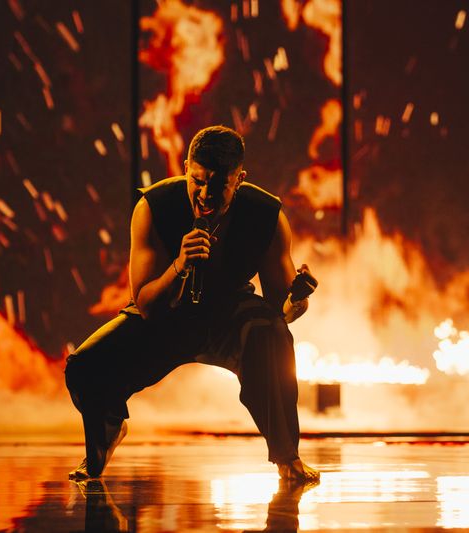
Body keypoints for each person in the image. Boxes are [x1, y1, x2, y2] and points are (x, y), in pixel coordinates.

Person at [65, 125, 319, 483]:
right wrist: (179, 266)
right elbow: (146, 304)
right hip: (168, 313)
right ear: (186, 168)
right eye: (197, 181)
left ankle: (286, 456)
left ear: (239, 179)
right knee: (84, 366)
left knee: (271, 333)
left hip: (230, 314)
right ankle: (106, 433)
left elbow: (282, 312)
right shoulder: (153, 207)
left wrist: (298, 300)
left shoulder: (266, 215)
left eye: (218, 186)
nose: (205, 194)